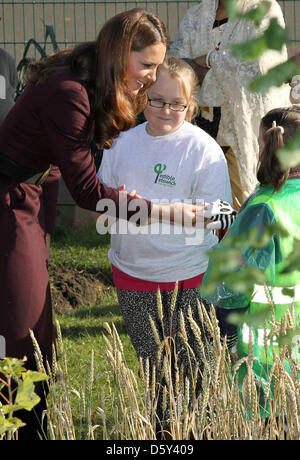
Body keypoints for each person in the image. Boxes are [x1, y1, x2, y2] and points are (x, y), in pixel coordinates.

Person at [0, 8, 192, 440]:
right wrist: (159, 211)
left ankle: (35, 420)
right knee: (21, 326)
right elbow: (87, 192)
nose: (151, 75)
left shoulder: (89, 74)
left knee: (37, 323)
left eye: (158, 65)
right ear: (120, 53)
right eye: (146, 64)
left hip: (30, 197)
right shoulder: (70, 92)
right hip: (8, 201)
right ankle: (18, 425)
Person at [98, 55, 232, 437]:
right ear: (143, 98)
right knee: (155, 373)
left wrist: (153, 210)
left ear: (191, 105)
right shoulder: (121, 142)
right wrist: (120, 206)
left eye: (176, 103)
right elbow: (101, 206)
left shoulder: (203, 150)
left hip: (188, 278)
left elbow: (220, 214)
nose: (165, 110)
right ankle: (162, 437)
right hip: (132, 275)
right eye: (156, 99)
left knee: (194, 378)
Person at [201, 105, 300, 417]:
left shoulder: (264, 207)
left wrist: (217, 315)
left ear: (268, 144)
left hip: (258, 335)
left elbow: (233, 282)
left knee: (260, 415)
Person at [169, 0, 291, 209]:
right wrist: (217, 64)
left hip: (245, 130)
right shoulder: (195, 16)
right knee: (205, 206)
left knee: (245, 205)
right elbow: (177, 67)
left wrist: (206, 60)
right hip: (200, 126)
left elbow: (258, 67)